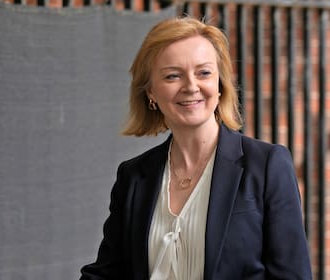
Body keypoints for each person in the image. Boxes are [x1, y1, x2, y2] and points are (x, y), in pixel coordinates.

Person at [80, 16, 312, 280]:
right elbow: (107, 274)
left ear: (220, 84)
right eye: (172, 75)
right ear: (151, 93)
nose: (191, 86)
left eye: (203, 72)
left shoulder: (267, 165)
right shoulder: (133, 176)